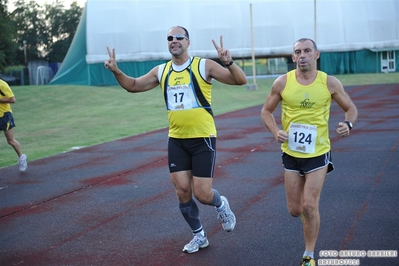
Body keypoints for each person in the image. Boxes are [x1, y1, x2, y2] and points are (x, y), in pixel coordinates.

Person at [104, 26, 247, 253]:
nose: (174, 40)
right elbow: (132, 85)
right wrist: (116, 71)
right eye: (170, 38)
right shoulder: (161, 71)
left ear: (188, 42)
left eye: (179, 37)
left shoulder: (204, 65)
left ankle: (221, 204)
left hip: (203, 138)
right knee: (182, 191)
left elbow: (240, 80)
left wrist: (228, 62)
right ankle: (199, 236)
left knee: (202, 194)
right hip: (177, 140)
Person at [261, 38, 358, 266]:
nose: (302, 55)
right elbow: (266, 111)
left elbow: (351, 108)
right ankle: (307, 217)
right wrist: (276, 131)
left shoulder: (329, 83)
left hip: (318, 152)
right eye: (297, 52)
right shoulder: (282, 83)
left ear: (316, 54)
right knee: (295, 210)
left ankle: (309, 255)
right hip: (291, 153)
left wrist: (348, 124)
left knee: (310, 205)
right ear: (293, 57)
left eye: (307, 51)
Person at [0, 79, 28, 172]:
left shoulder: (2, 84)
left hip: (5, 115)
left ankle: (21, 158)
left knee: (10, 141)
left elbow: (12, 99)